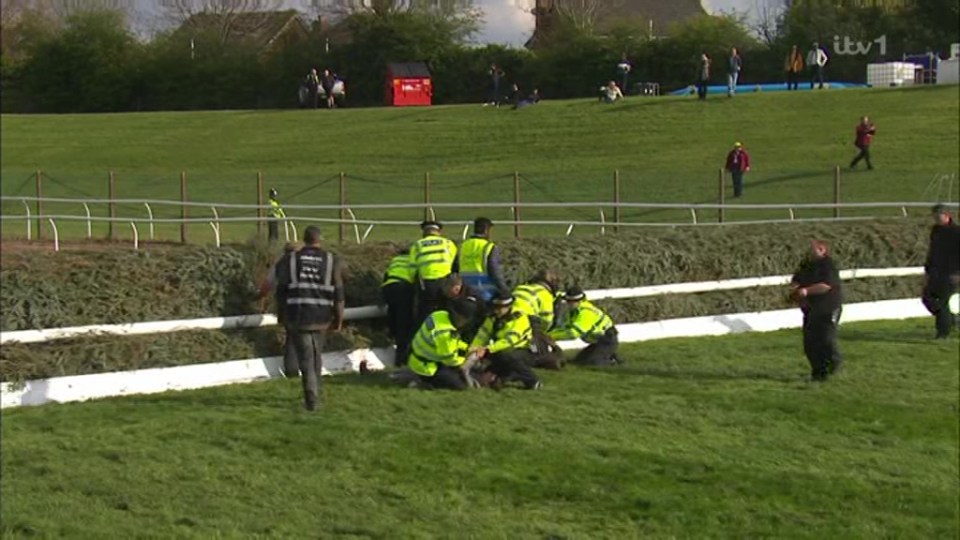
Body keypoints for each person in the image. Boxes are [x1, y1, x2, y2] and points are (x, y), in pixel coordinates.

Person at [275, 225, 345, 410]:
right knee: (315, 354)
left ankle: (311, 399)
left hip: (298, 315)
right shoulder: (331, 260)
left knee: (306, 357)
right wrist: (338, 319)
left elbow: (281, 291)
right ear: (319, 239)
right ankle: (315, 393)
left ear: (303, 239)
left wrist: (281, 316)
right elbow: (339, 293)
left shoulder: (290, 260)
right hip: (322, 316)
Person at [789, 240, 842, 382]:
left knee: (825, 339)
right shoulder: (806, 265)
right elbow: (796, 281)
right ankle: (818, 373)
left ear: (822, 249)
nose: (809, 251)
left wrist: (806, 291)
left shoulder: (828, 265)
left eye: (812, 249)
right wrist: (794, 290)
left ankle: (833, 362)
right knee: (810, 343)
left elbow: (826, 286)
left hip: (828, 307)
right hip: (811, 309)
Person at [469, 295, 542, 390]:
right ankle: (503, 376)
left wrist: (487, 349)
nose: (496, 310)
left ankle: (533, 381)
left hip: (525, 350)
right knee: (495, 367)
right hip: (501, 350)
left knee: (510, 358)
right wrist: (475, 347)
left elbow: (510, 340)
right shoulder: (493, 318)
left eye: (500, 308)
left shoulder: (519, 318)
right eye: (495, 307)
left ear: (509, 306)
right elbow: (483, 334)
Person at [408, 299, 477, 390]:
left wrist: (467, 348)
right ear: (461, 317)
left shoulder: (440, 315)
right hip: (427, 368)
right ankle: (423, 383)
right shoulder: (445, 333)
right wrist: (465, 360)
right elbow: (450, 361)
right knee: (461, 387)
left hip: (416, 358)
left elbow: (454, 342)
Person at [258, 241, 300, 377]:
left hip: (287, 306)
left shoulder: (280, 264)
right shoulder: (306, 263)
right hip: (308, 306)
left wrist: (257, 296)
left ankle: (291, 371)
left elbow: (267, 285)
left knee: (292, 338)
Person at [548, 287, 619, 366]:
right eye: (568, 301)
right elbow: (564, 328)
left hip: (607, 340)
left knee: (593, 363)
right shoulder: (573, 312)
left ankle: (612, 360)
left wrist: (551, 336)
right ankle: (607, 355)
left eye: (571, 301)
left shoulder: (586, 312)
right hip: (597, 341)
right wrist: (548, 334)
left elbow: (573, 333)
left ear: (580, 301)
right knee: (578, 361)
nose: (569, 304)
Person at [921, 205, 960, 338]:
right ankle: (950, 319)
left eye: (939, 215)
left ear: (947, 215)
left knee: (943, 301)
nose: (936, 218)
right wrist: (928, 267)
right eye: (935, 215)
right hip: (936, 271)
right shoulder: (936, 231)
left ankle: (943, 332)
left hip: (950, 272)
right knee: (927, 297)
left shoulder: (956, 232)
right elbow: (933, 250)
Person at [410, 220, 458, 327]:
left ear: (424, 232)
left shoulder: (417, 245)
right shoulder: (448, 243)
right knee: (446, 312)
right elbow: (455, 264)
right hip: (445, 282)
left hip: (426, 285)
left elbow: (412, 270)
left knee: (425, 313)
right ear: (439, 232)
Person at [457, 217, 509, 302]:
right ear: (486, 230)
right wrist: (504, 290)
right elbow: (494, 271)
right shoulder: (488, 246)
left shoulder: (464, 245)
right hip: (485, 292)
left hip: (466, 291)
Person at [381, 247, 416, 366]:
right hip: (403, 288)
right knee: (404, 324)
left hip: (388, 288)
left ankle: (391, 332)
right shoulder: (413, 260)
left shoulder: (395, 260)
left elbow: (386, 275)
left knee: (393, 315)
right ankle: (401, 360)